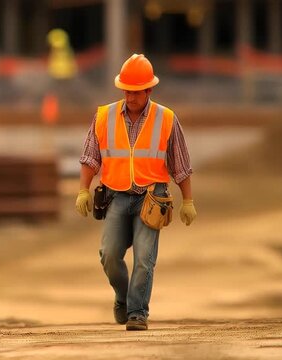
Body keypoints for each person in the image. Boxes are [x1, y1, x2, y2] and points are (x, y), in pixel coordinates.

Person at [75, 54, 197, 331]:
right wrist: (83, 190)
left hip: (151, 197)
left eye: (135, 92)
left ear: (149, 90)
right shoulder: (104, 116)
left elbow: (180, 163)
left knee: (144, 257)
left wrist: (187, 200)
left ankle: (137, 312)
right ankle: (123, 296)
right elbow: (90, 157)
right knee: (109, 254)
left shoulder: (166, 118)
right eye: (126, 91)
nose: (129, 97)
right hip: (116, 195)